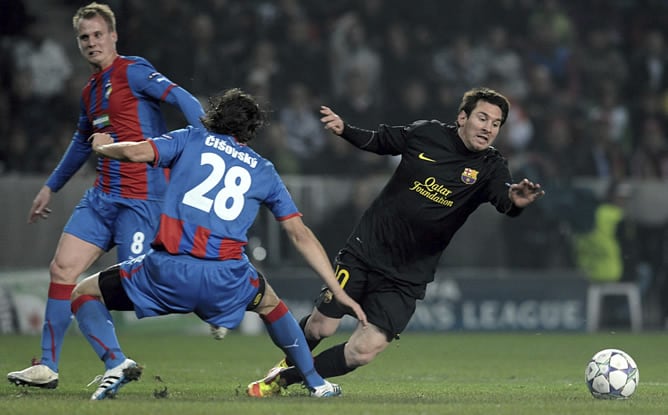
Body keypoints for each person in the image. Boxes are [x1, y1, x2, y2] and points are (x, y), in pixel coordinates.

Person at [69, 88, 367, 400]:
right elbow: (300, 234)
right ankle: (316, 383)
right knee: (271, 305)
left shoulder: (191, 139)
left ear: (214, 117)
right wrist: (337, 289)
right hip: (227, 279)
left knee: (84, 293)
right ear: (251, 130)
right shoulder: (263, 170)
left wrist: (104, 147)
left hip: (168, 271)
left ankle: (114, 361)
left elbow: (134, 153)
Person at [247, 87, 545, 397]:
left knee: (364, 350)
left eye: (496, 124)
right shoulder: (427, 133)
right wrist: (345, 130)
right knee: (321, 327)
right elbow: (381, 141)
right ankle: (287, 362)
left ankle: (285, 379)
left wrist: (515, 200)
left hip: (408, 274)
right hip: (366, 249)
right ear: (462, 117)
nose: (488, 128)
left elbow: (503, 197)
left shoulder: (491, 166)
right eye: (482, 118)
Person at [7, 2, 204, 389]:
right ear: (79, 44)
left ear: (113, 35)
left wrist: (208, 141)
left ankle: (207, 294)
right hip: (102, 198)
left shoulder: (135, 71)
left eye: (98, 34)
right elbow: (82, 143)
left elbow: (184, 99)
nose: (92, 42)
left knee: (133, 287)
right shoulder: (90, 91)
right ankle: (57, 365)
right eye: (85, 37)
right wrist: (51, 186)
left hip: (142, 200)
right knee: (62, 269)